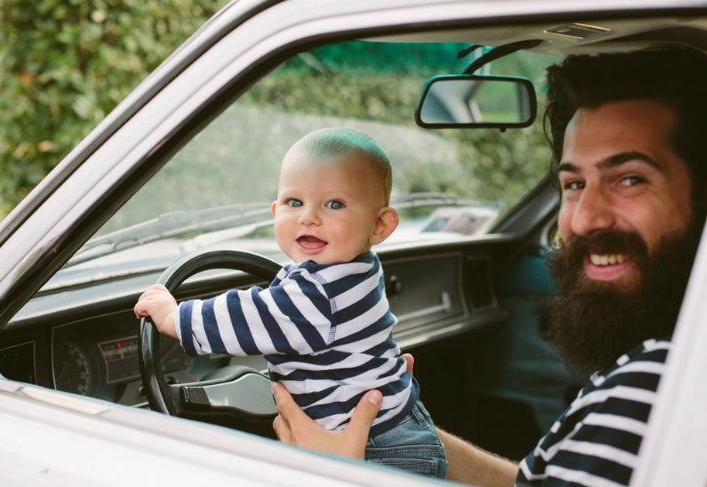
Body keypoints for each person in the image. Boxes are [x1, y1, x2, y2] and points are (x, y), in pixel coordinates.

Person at [271, 46, 707, 486]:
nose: (584, 217)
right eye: (574, 184)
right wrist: (395, 433)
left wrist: (338, 476)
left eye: (630, 179)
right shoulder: (667, 365)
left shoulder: (653, 390)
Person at [134, 127, 447, 478]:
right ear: (274, 210)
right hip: (397, 426)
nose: (308, 217)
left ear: (379, 225)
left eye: (334, 204)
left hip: (379, 448)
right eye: (294, 202)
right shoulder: (354, 269)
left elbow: (254, 316)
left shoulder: (320, 295)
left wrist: (176, 317)